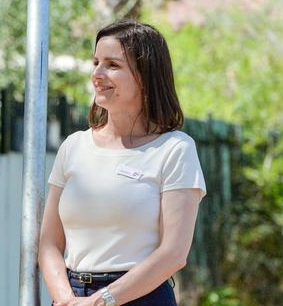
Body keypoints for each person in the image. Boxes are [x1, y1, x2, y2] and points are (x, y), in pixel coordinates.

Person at [39, 20, 206, 306]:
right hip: (71, 297)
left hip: (140, 298)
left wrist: (100, 301)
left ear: (145, 76)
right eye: (96, 62)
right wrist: (66, 299)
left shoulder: (175, 149)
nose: (97, 74)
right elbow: (49, 244)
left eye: (112, 65)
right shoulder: (73, 146)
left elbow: (174, 254)